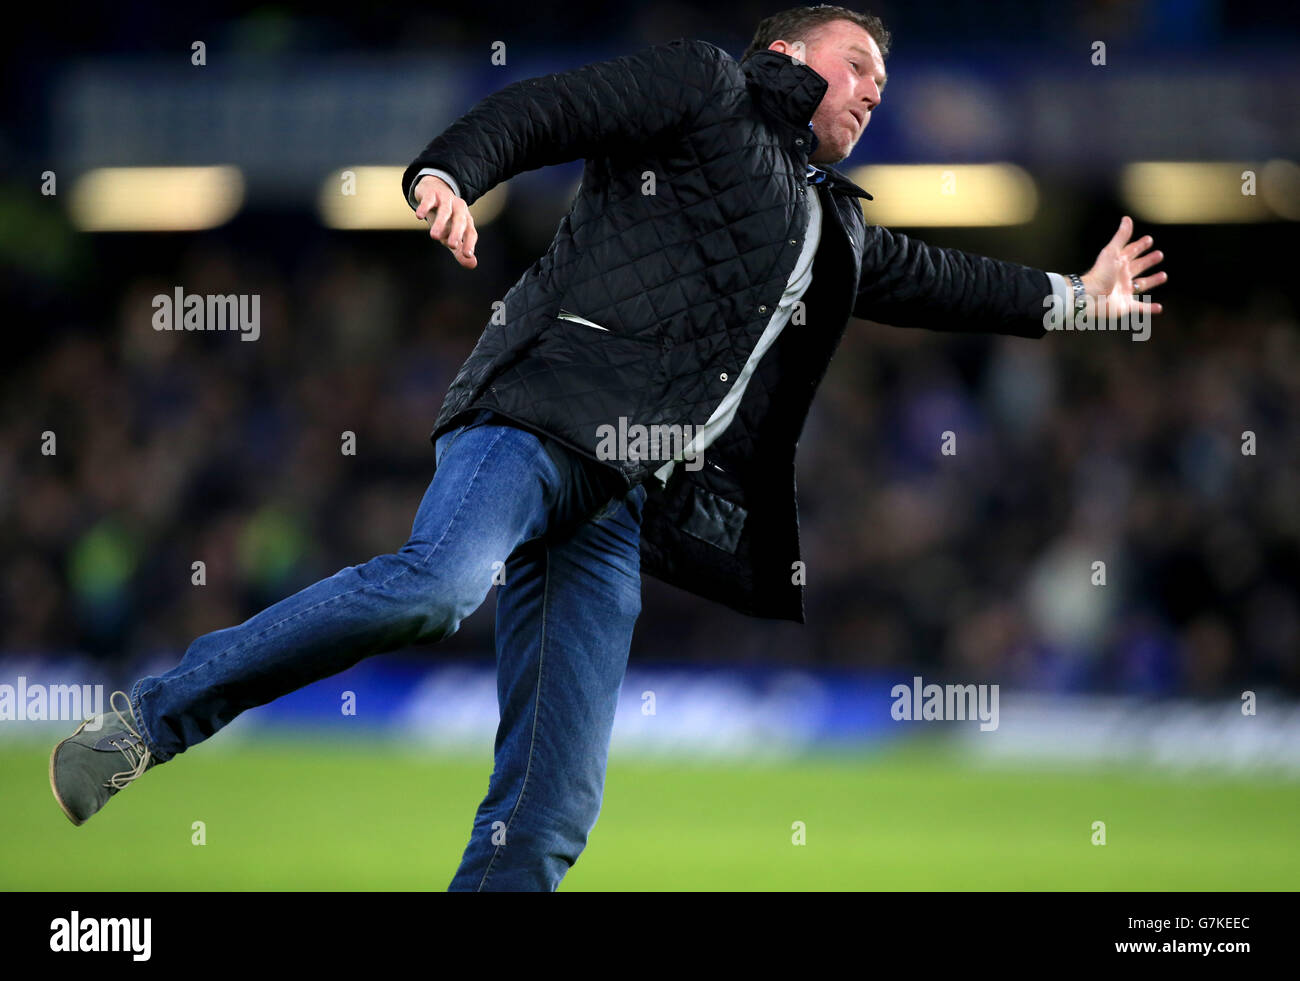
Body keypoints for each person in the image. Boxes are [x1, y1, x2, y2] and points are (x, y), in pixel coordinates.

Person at [49, 5, 1165, 891]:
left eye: (885, 75)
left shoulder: (832, 229)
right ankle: (145, 722)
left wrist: (1079, 297)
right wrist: (447, 173)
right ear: (785, 50)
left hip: (615, 501)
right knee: (436, 588)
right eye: (858, 58)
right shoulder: (706, 85)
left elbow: (944, 282)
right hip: (532, 418)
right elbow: (549, 107)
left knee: (550, 812)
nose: (876, 85)